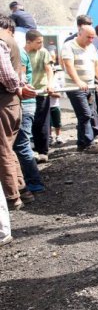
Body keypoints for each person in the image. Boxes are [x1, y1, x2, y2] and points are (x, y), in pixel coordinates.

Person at [0, 15, 36, 210]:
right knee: (8, 148)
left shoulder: (1, 41)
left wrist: (16, 87)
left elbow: (6, 74)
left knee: (3, 150)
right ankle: (21, 189)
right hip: (12, 103)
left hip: (4, 102)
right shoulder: (12, 42)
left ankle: (12, 196)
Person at [61, 19, 98, 153]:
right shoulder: (69, 46)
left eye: (93, 37)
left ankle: (81, 143)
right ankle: (89, 143)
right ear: (79, 34)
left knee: (89, 113)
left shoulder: (91, 47)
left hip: (90, 86)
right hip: (74, 87)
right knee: (85, 114)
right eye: (88, 37)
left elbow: (96, 65)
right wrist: (78, 81)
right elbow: (68, 65)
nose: (91, 40)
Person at [13, 34, 45, 195]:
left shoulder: (17, 52)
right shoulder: (19, 51)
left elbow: (22, 78)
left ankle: (34, 182)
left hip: (24, 104)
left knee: (22, 145)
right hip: (24, 103)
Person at [25, 29, 55, 162]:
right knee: (28, 122)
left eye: (42, 42)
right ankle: (30, 149)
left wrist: (50, 84)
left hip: (41, 91)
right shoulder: (22, 54)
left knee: (42, 122)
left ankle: (43, 151)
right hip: (27, 93)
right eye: (38, 42)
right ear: (28, 42)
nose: (41, 44)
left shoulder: (44, 52)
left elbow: (49, 69)